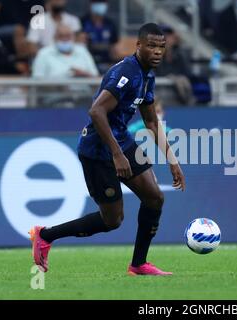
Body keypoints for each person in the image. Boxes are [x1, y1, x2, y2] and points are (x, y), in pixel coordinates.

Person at [29, 23, 186, 276]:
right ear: (138, 46)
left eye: (161, 47)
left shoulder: (148, 76)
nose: (157, 52)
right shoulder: (126, 73)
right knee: (112, 220)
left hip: (121, 140)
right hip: (98, 149)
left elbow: (150, 121)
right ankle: (45, 236)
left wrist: (172, 160)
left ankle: (138, 265)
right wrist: (117, 154)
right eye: (151, 46)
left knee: (155, 197)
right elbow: (96, 111)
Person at [32, 24, 99, 79]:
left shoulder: (82, 51)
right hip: (54, 94)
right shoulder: (44, 53)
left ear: (73, 37)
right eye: (61, 36)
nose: (64, 39)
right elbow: (37, 80)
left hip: (84, 94)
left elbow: (96, 77)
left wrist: (84, 74)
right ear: (54, 38)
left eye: (68, 36)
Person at [155, 26, 195, 105]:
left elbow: (187, 72)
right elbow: (155, 73)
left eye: (169, 36)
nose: (167, 39)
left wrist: (177, 77)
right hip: (160, 89)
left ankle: (189, 104)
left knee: (182, 81)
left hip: (178, 91)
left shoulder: (179, 54)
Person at [80, 0, 119, 73]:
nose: (100, 5)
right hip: (88, 62)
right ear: (90, 4)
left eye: (102, 2)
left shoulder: (110, 23)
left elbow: (114, 47)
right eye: (97, 2)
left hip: (107, 62)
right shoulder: (83, 22)